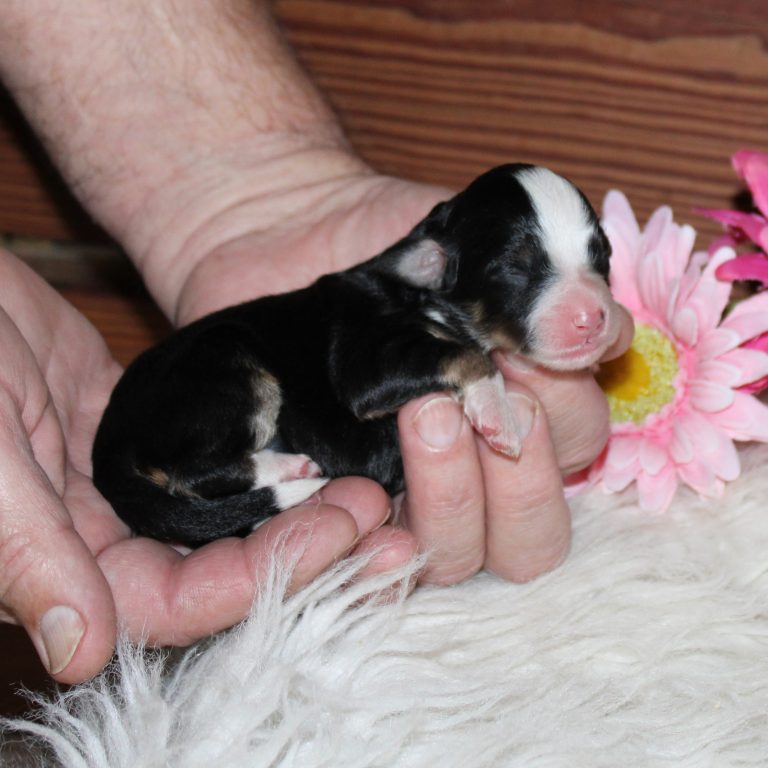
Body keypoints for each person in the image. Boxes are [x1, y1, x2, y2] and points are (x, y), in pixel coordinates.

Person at [0, 1, 632, 684]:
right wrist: (471, 372)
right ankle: (219, 478)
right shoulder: (389, 311)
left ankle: (235, 485)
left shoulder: (418, 301)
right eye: (522, 269)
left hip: (228, 436)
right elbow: (366, 387)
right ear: (434, 266)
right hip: (170, 414)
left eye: (594, 260)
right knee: (239, 376)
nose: (590, 308)